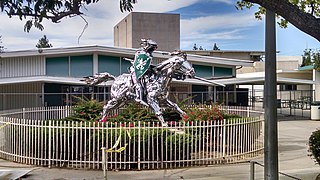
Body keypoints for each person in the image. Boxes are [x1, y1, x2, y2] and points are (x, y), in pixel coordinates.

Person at [132, 39, 158, 106]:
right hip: (136, 70)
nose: (152, 49)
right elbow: (139, 62)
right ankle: (138, 98)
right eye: (152, 47)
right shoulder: (140, 52)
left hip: (146, 72)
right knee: (138, 83)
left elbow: (148, 64)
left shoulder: (149, 54)